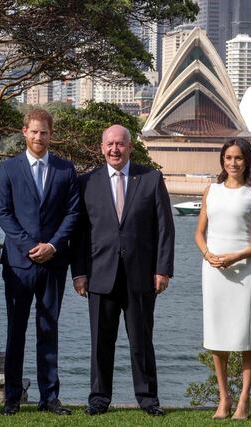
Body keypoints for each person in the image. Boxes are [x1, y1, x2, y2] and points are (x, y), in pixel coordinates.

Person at [72, 124, 174, 417]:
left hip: (141, 276)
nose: (115, 149)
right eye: (109, 144)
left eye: (120, 144)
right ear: (101, 148)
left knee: (141, 342)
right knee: (100, 343)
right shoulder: (86, 182)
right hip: (99, 275)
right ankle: (99, 398)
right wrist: (78, 273)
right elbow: (79, 233)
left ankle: (147, 398)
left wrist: (162, 270)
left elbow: (165, 229)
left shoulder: (151, 179)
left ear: (130, 147)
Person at [0, 108, 79, 416]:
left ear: (51, 134)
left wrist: (53, 246)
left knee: (48, 330)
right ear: (24, 133)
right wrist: (32, 247)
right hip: (19, 264)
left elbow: (73, 214)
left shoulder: (65, 170)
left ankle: (49, 397)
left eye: (44, 132)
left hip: (53, 264)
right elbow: (3, 213)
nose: (39, 137)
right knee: (16, 332)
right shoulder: (9, 169)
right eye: (34, 131)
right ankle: (12, 398)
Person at [194, 138, 251, 420]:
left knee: (246, 336)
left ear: (248, 161)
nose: (232, 163)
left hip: (245, 271)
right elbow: (199, 233)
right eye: (228, 157)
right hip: (214, 271)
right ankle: (223, 398)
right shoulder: (211, 191)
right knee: (217, 336)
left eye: (238, 158)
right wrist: (208, 255)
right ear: (222, 160)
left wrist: (236, 256)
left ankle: (244, 400)